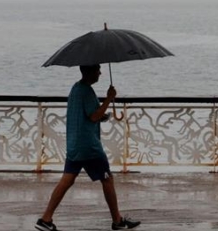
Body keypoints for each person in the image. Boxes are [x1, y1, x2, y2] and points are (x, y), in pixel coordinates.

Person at [35, 64, 141, 231]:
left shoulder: (76, 89)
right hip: (88, 146)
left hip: (74, 144)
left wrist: (101, 114)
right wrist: (109, 98)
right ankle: (117, 221)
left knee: (67, 180)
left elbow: (88, 114)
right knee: (107, 179)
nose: (100, 72)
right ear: (89, 71)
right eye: (98, 69)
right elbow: (93, 116)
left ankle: (45, 219)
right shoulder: (86, 91)